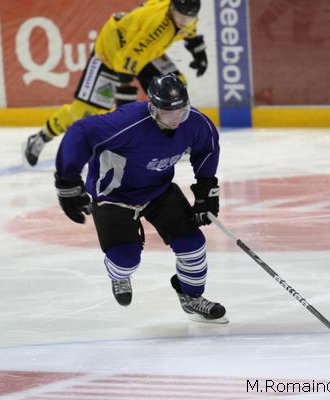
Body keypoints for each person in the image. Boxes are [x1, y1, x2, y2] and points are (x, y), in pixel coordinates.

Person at [54, 74, 226, 323]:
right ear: (154, 108)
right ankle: (119, 274)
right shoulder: (127, 122)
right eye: (168, 112)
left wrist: (206, 188)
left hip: (159, 191)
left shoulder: (195, 123)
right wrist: (67, 182)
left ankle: (191, 297)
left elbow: (207, 147)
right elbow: (81, 132)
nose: (176, 118)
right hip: (114, 196)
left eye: (181, 110)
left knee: (193, 246)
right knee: (125, 260)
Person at [24, 0, 208, 167]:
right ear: (172, 10)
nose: (185, 21)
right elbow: (126, 58)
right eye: (181, 16)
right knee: (84, 112)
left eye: (189, 17)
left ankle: (172, 139)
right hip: (111, 55)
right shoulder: (157, 26)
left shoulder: (182, 15)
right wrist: (124, 91)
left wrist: (198, 50)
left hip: (142, 53)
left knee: (175, 86)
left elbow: (188, 29)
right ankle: (40, 137)